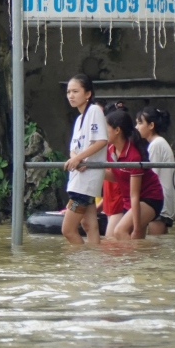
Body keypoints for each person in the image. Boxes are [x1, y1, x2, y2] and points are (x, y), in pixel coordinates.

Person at [103, 107, 164, 240]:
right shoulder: (110, 149)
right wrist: (95, 171)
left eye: (106, 128)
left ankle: (129, 260)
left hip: (149, 198)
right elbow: (117, 177)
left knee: (119, 231)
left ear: (117, 130)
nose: (103, 133)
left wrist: (136, 228)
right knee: (135, 242)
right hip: (131, 201)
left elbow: (135, 195)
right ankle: (139, 260)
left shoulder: (133, 156)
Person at [61, 74, 108, 245]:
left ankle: (81, 262)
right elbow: (73, 149)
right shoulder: (79, 118)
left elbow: (102, 140)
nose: (71, 96)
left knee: (67, 230)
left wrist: (80, 159)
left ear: (88, 93)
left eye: (75, 91)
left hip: (85, 182)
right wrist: (76, 159)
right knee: (89, 225)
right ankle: (93, 262)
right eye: (68, 92)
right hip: (79, 178)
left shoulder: (94, 110)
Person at [138, 108, 175, 236]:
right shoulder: (158, 143)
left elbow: (151, 175)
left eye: (139, 123)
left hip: (159, 202)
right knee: (159, 246)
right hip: (164, 200)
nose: (136, 127)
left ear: (151, 125)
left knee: (155, 247)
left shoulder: (156, 145)